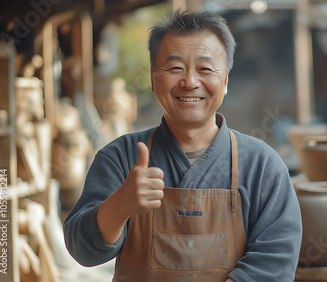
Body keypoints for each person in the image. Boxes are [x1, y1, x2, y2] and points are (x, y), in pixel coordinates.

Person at [63, 9, 302, 282]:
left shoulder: (262, 165)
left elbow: (277, 258)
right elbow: (82, 251)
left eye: (205, 69)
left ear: (224, 82)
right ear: (153, 80)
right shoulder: (119, 157)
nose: (190, 82)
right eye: (175, 68)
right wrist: (120, 205)